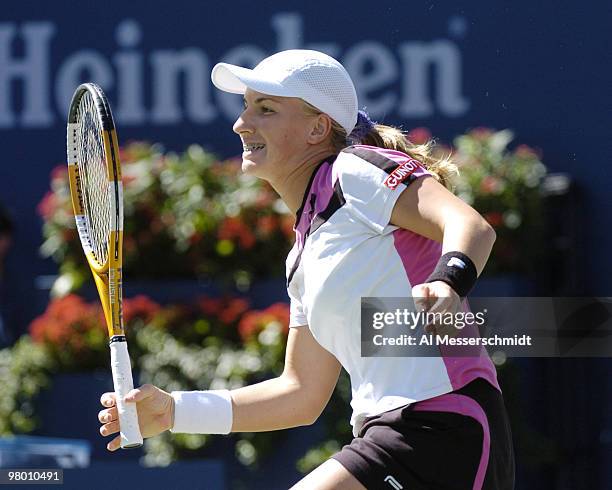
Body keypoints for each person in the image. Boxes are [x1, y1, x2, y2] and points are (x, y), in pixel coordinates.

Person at [98, 50, 515, 489]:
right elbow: (300, 392)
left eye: (266, 109)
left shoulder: (354, 171)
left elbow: (470, 226)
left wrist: (448, 280)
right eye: (245, 107)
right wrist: (175, 411)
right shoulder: (302, 255)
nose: (242, 123)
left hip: (443, 424)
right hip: (395, 432)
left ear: (318, 128)